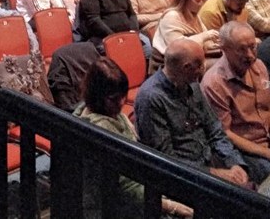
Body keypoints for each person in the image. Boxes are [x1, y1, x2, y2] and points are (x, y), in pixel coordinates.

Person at [75, 57, 193, 218]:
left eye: (123, 95)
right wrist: (169, 205)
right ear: (98, 95)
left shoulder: (101, 110)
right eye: (114, 99)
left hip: (138, 192)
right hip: (115, 207)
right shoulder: (100, 130)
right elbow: (126, 187)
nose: (122, 102)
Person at [136, 39, 249, 185]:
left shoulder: (193, 85)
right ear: (187, 68)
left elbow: (215, 130)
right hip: (184, 176)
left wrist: (234, 163)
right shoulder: (151, 98)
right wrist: (214, 174)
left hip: (211, 160)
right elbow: (165, 159)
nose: (204, 68)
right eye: (201, 65)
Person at [202, 21, 270, 184]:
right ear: (225, 49)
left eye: (252, 47)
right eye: (242, 49)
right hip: (245, 149)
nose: (250, 55)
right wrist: (269, 154)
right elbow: (225, 133)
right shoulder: (214, 83)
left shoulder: (259, 66)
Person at [150, 0, 220, 73]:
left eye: (203, 0)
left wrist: (212, 45)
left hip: (190, 61)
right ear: (185, 0)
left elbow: (205, 40)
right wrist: (205, 36)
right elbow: (179, 48)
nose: (201, 4)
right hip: (168, 67)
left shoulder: (194, 15)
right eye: (198, 0)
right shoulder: (171, 16)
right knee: (220, 67)